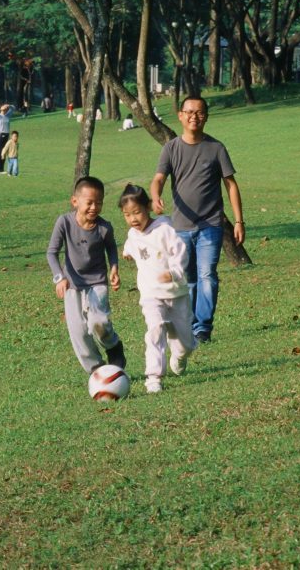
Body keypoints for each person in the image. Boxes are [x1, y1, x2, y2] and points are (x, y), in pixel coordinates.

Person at [150, 95, 244, 344]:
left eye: (200, 112)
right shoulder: (171, 148)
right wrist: (155, 196)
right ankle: (189, 325)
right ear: (180, 115)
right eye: (189, 112)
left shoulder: (216, 148)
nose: (194, 116)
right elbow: (159, 178)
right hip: (180, 227)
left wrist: (238, 221)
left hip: (210, 225)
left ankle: (203, 327)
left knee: (207, 275)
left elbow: (231, 185)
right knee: (188, 279)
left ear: (206, 116)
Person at [119, 184, 196, 394]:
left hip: (176, 294)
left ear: (148, 208)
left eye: (137, 212)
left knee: (185, 344)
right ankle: (153, 378)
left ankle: (179, 356)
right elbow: (130, 243)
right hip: (151, 295)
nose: (133, 219)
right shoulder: (133, 234)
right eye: (127, 215)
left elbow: (180, 251)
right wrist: (126, 252)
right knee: (155, 330)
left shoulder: (164, 228)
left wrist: (174, 273)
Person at [46, 176, 126, 374]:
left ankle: (113, 347)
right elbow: (51, 252)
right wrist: (59, 277)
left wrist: (114, 268)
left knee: (99, 322)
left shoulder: (104, 227)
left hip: (97, 283)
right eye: (89, 202)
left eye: (99, 203)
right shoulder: (64, 222)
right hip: (72, 285)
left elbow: (111, 249)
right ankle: (98, 371)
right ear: (75, 201)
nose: (94, 207)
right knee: (79, 333)